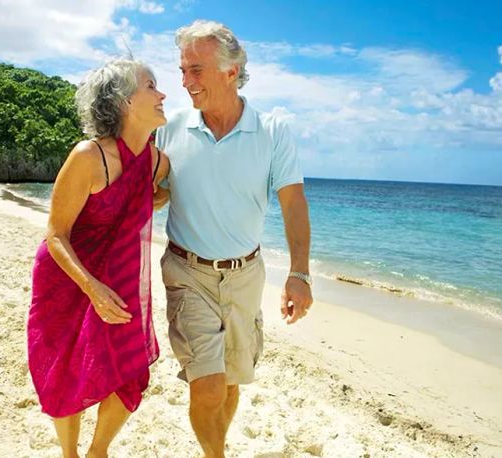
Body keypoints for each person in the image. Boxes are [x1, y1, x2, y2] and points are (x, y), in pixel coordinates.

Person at [156, 20, 313, 458]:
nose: (185, 81)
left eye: (196, 70)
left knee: (229, 382)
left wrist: (299, 274)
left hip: (246, 277)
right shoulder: (169, 128)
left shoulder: (273, 131)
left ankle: (213, 449)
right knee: (205, 386)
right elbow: (151, 194)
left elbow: (294, 204)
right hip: (187, 272)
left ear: (231, 70)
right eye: (182, 70)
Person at [27, 59, 169, 458]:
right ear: (125, 101)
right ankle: (69, 454)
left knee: (132, 369)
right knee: (63, 368)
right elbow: (56, 234)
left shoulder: (159, 163)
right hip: (66, 278)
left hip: (121, 277)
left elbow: (150, 195)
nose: (162, 94)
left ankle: (98, 452)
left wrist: (161, 196)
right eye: (151, 86)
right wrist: (91, 288)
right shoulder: (89, 156)